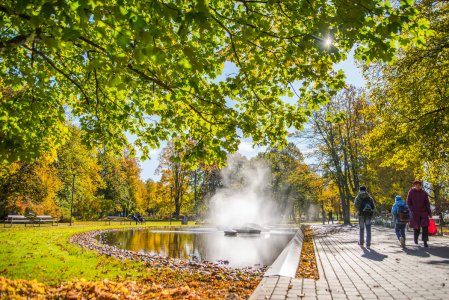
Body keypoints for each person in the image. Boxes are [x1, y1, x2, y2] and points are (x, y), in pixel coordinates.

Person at [407, 180, 431, 247]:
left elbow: (427, 203)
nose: (418, 186)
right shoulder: (411, 192)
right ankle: (416, 238)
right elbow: (409, 202)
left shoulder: (424, 193)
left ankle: (425, 242)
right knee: (416, 227)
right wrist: (412, 210)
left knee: (425, 227)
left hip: (424, 212)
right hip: (415, 213)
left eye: (419, 185)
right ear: (414, 185)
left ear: (420, 186)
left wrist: (429, 212)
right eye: (416, 185)